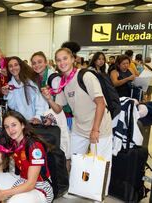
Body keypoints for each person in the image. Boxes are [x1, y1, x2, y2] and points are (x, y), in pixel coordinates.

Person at [41, 47, 112, 195]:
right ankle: (75, 190)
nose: (62, 62)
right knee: (75, 160)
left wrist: (95, 129)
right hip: (79, 128)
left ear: (73, 59)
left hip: (99, 126)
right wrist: (48, 99)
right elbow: (58, 109)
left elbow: (100, 103)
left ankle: (100, 195)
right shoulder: (63, 83)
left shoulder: (86, 76)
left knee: (101, 163)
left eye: (65, 58)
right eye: (59, 60)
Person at [0, 110, 54, 203]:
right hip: (22, 180)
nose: (11, 130)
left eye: (14, 125)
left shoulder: (34, 147)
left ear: (22, 125)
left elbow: (31, 184)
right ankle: (6, 197)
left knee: (15, 201)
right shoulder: (12, 144)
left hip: (39, 188)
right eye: (7, 127)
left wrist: (5, 193)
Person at [1, 56, 48, 124]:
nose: (13, 68)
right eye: (10, 66)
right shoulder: (10, 84)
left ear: (20, 66)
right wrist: (7, 94)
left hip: (35, 122)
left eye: (16, 65)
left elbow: (40, 102)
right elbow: (13, 106)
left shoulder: (30, 81)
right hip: (22, 123)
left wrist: (38, 117)